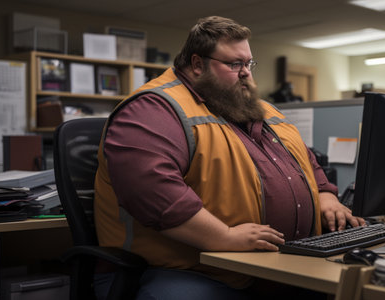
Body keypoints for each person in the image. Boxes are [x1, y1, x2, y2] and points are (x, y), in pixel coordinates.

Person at [93, 16, 366, 300]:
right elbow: (156, 195)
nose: (246, 73)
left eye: (249, 64)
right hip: (189, 269)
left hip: (272, 265)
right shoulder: (152, 110)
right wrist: (224, 237)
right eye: (235, 64)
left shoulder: (261, 109)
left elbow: (306, 160)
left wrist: (325, 196)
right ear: (198, 64)